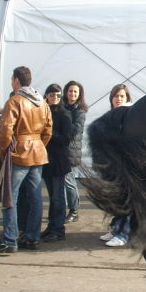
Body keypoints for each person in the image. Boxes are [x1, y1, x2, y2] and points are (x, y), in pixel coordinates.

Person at [0, 66, 52, 255]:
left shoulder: (15, 100)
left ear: (17, 80)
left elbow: (6, 129)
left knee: (10, 197)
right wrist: (38, 145)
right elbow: (48, 130)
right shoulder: (42, 102)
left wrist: (4, 151)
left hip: (19, 152)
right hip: (38, 151)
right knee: (35, 198)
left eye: (11, 79)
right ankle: (32, 238)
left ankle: (10, 240)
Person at [99, 84, 134, 247]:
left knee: (127, 200)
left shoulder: (129, 114)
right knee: (116, 199)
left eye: (122, 96)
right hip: (112, 163)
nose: (118, 99)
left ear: (127, 98)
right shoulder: (111, 115)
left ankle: (124, 234)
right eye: (116, 96)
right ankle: (116, 228)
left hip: (126, 164)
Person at [40, 84, 72, 243]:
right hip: (45, 160)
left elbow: (67, 139)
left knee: (58, 198)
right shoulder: (42, 111)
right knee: (52, 197)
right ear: (46, 95)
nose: (55, 98)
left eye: (58, 95)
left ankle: (59, 229)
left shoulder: (64, 114)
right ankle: (52, 226)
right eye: (52, 95)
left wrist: (49, 135)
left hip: (59, 161)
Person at [63, 80, 88, 223]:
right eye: (70, 91)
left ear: (79, 95)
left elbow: (76, 129)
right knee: (60, 182)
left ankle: (74, 210)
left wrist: (61, 131)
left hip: (71, 152)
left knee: (69, 181)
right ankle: (62, 209)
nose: (72, 94)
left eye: (75, 92)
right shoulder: (61, 107)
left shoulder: (80, 111)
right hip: (60, 151)